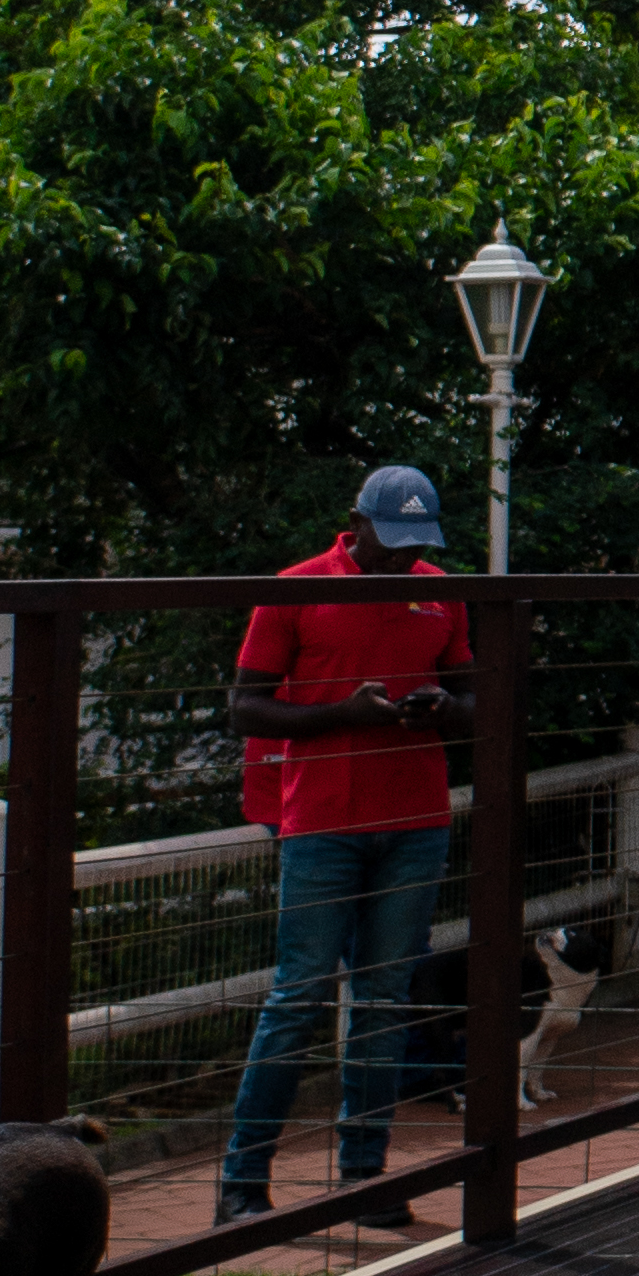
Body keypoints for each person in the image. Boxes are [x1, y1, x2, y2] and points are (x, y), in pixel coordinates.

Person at [216, 463, 473, 1229]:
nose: (404, 559)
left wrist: (440, 706)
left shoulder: (440, 590)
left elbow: (473, 695)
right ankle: (242, 1182)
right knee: (298, 999)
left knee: (385, 1000)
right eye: (391, 542)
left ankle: (365, 1176)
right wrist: (338, 714)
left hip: (416, 819)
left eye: (416, 544)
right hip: (321, 822)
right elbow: (245, 708)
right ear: (354, 523)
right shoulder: (296, 587)